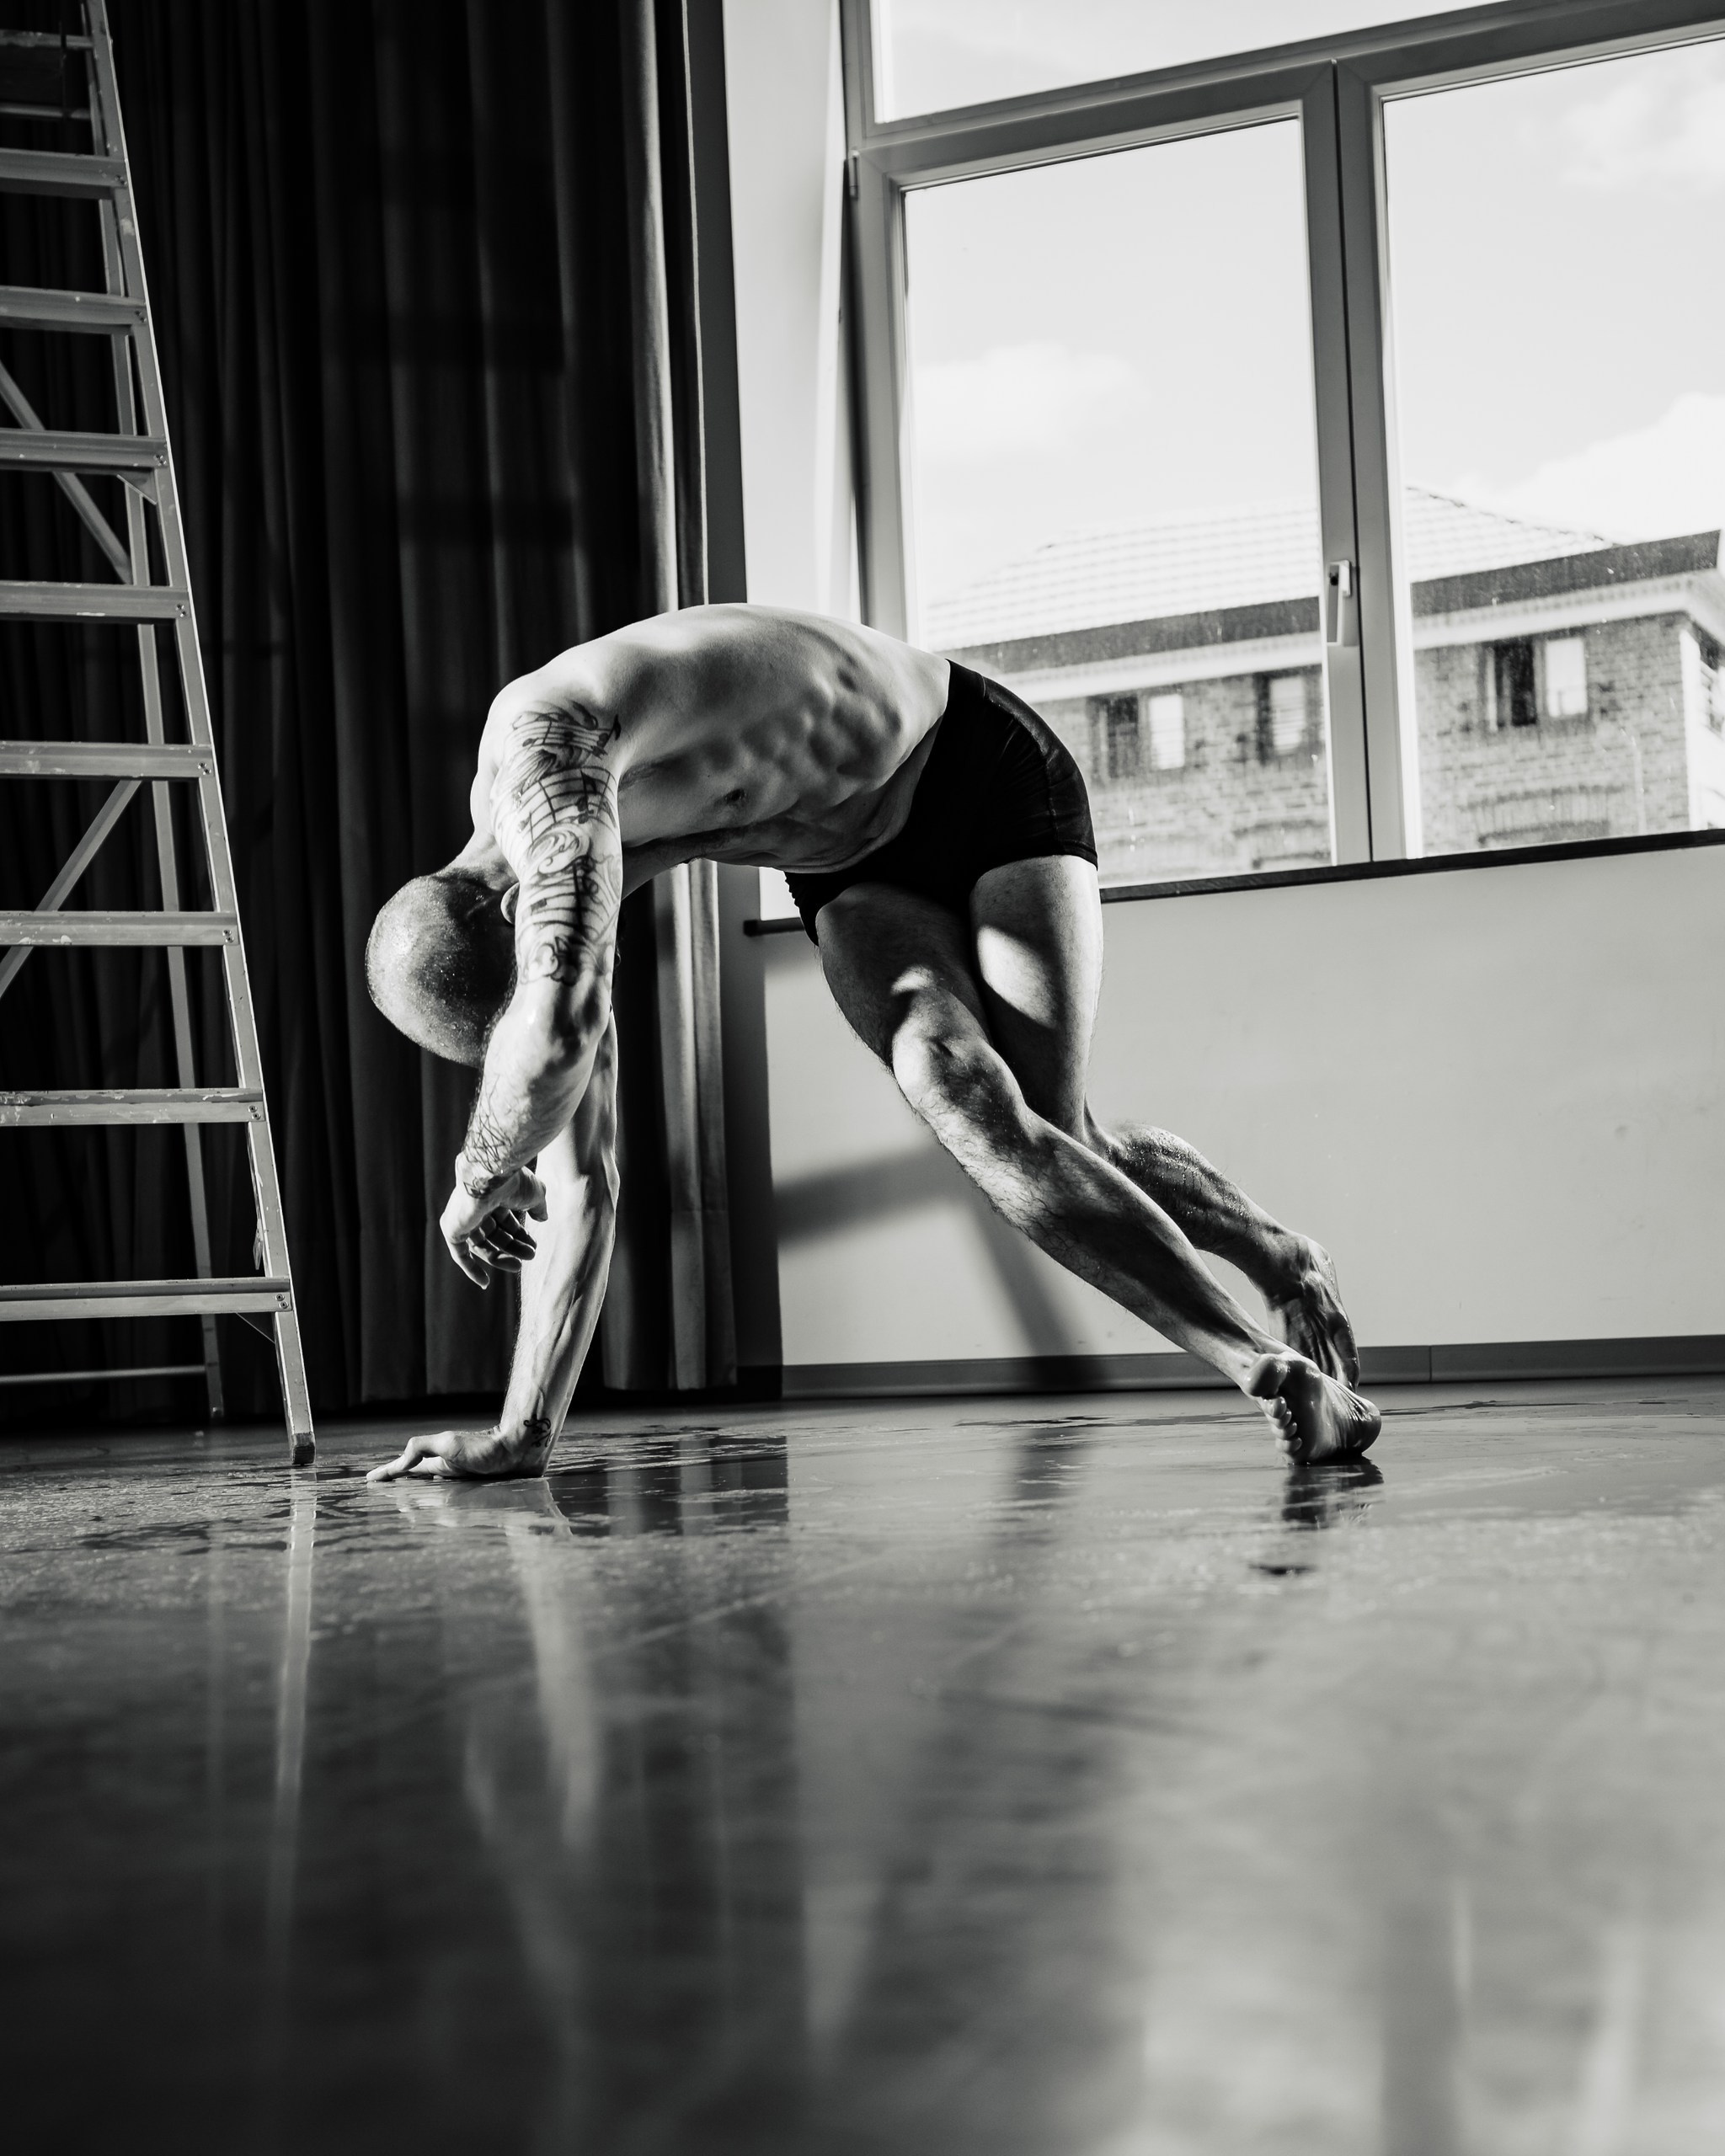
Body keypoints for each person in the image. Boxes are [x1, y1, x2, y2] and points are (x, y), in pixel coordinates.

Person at [363, 604, 1380, 1482]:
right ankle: (1267, 1371)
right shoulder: (557, 925)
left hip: (972, 768)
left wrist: (476, 1169)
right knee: (965, 1101)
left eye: (533, 1019)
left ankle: (1282, 1256)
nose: (557, 1037)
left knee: (1065, 1136)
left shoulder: (547, 751)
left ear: (511, 924)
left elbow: (552, 1038)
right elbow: (583, 1178)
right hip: (848, 863)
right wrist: (521, 1432)